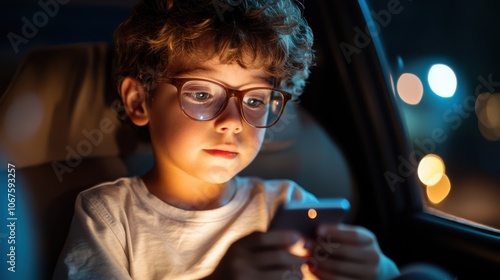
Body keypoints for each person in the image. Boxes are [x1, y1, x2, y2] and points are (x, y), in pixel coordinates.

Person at [53, 0, 400, 279]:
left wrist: (376, 270)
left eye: (254, 100)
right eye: (202, 94)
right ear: (138, 100)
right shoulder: (110, 216)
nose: (232, 122)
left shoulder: (287, 204)